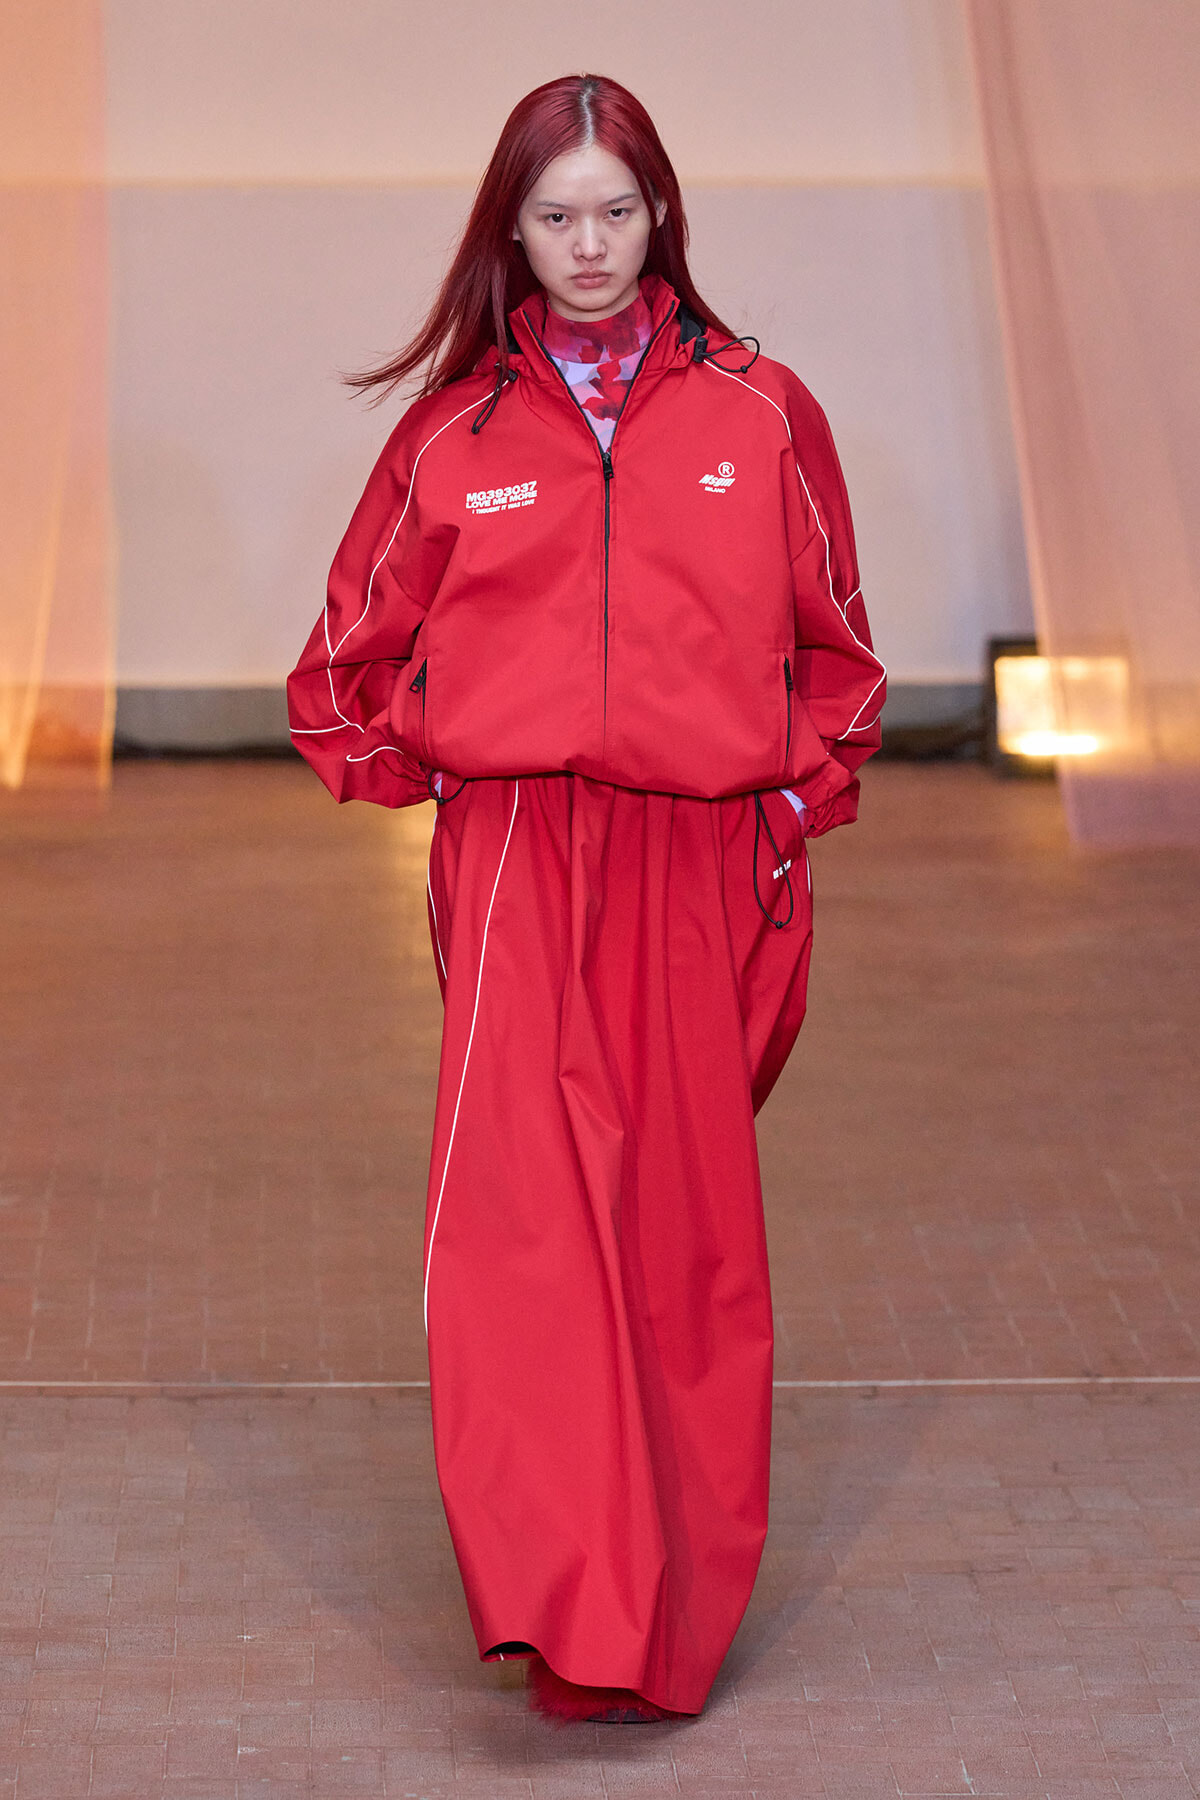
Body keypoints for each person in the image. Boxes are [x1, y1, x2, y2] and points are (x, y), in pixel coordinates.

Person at [287, 72, 884, 1723]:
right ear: (512, 232)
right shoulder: (453, 438)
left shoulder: (761, 413)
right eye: (557, 216)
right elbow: (337, 674)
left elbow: (842, 657)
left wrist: (779, 794)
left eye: (619, 210)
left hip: (702, 863)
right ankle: (565, 1607)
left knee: (683, 1244)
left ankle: (671, 1615)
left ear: (663, 212)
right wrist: (455, 767)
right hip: (524, 872)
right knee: (522, 1241)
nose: (593, 245)